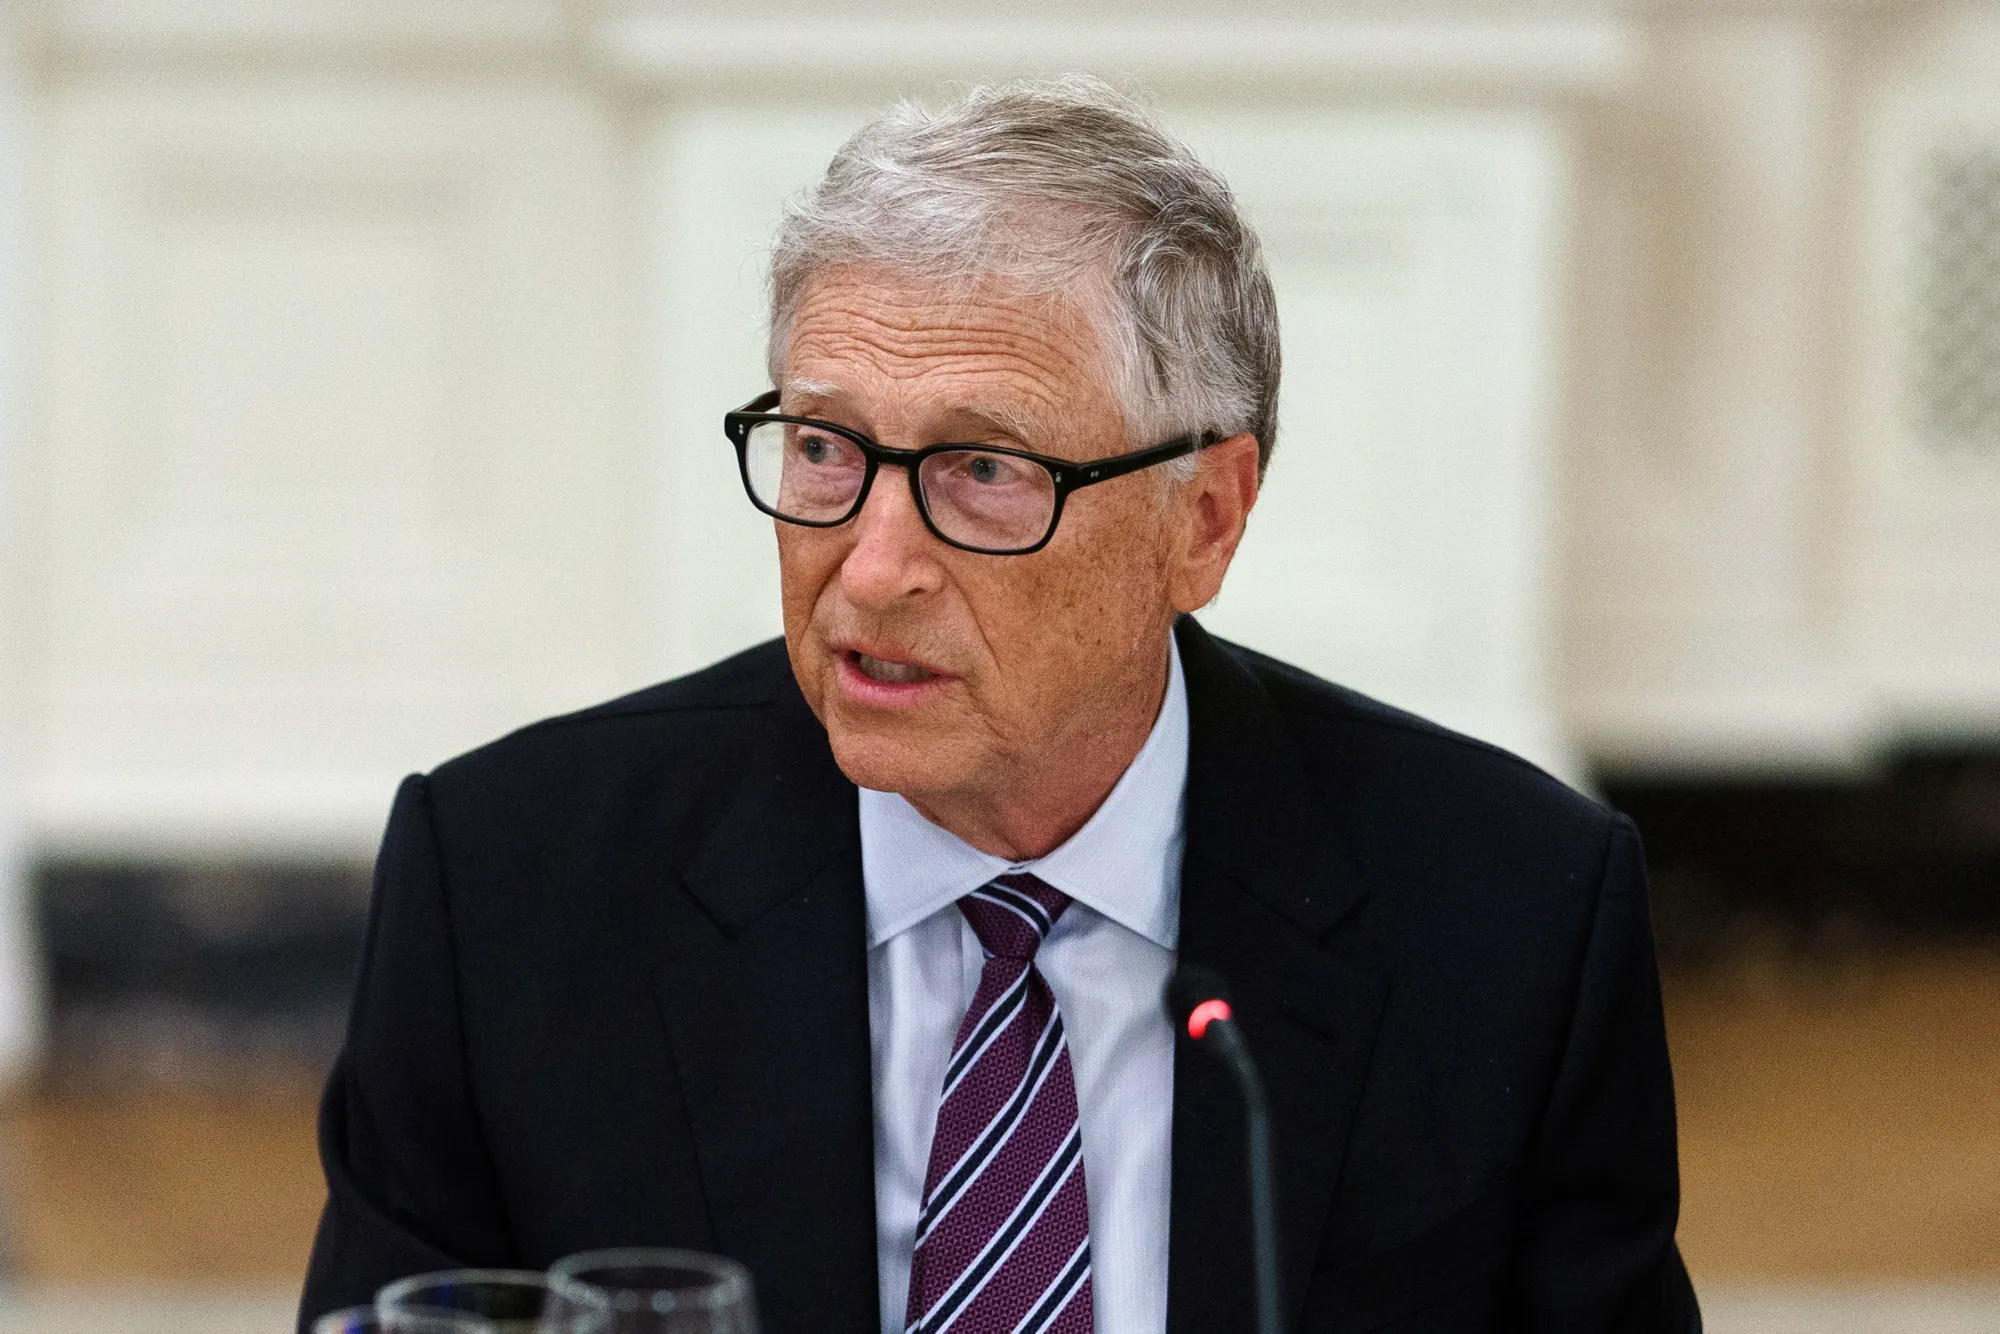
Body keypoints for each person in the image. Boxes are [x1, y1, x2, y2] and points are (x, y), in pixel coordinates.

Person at [299, 77, 1699, 1334]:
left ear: (1203, 519)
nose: (875, 566)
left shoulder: (1511, 920)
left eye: (983, 471)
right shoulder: (508, 889)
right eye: (827, 448)